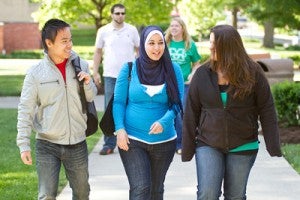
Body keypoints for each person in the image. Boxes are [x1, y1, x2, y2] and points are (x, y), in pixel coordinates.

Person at [182, 24, 282, 199]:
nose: (210, 46)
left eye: (215, 43)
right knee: (207, 193)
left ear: (229, 46)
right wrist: (187, 148)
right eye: (210, 41)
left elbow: (267, 109)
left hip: (243, 143)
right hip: (209, 142)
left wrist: (273, 144)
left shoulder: (253, 72)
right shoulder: (202, 74)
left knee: (235, 196)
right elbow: (191, 112)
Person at [16, 19, 97, 200]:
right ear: (49, 43)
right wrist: (23, 145)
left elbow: (91, 97)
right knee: (46, 196)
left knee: (83, 193)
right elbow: (25, 109)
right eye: (64, 41)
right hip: (47, 144)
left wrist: (88, 83)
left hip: (77, 142)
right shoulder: (35, 73)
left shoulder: (80, 65)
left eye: (70, 39)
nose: (70, 45)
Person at [113, 25, 184, 200]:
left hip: (164, 141)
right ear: (143, 44)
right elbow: (119, 102)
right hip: (132, 139)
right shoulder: (129, 69)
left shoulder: (174, 70)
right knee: (140, 188)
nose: (156, 48)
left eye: (160, 43)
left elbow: (177, 103)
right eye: (151, 43)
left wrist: (164, 121)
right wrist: (120, 129)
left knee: (156, 190)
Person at [92, 3, 140, 155]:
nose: (120, 16)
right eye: (117, 13)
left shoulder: (132, 30)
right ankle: (109, 144)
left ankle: (130, 140)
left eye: (123, 13)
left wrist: (140, 69)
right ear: (112, 14)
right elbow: (98, 52)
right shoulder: (103, 31)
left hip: (130, 75)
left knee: (130, 106)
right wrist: (95, 71)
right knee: (109, 109)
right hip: (111, 75)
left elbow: (139, 50)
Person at [165, 17, 201, 154]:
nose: (173, 28)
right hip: (167, 84)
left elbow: (197, 63)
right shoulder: (165, 43)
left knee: (182, 113)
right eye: (172, 25)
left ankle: (181, 144)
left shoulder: (189, 45)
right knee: (169, 112)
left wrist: (193, 74)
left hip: (184, 85)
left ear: (182, 28)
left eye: (176, 26)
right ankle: (172, 142)